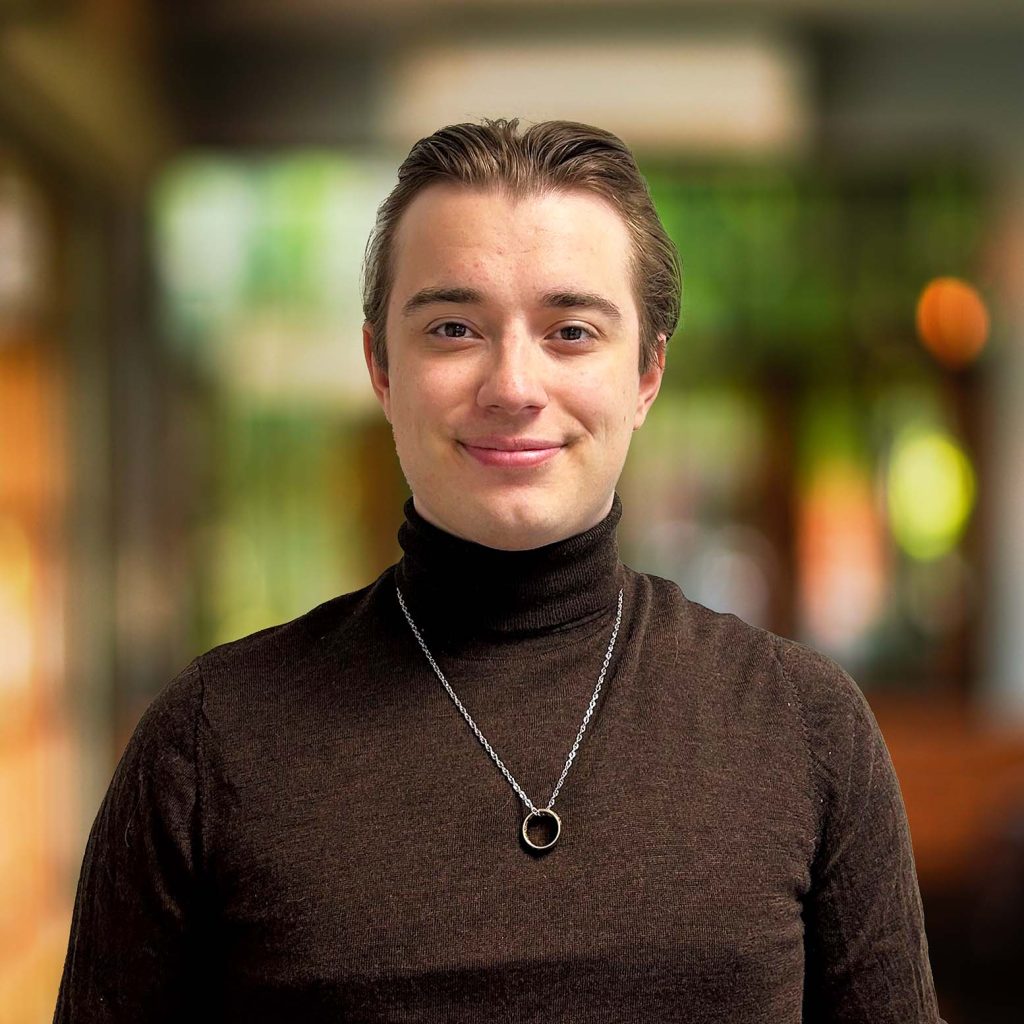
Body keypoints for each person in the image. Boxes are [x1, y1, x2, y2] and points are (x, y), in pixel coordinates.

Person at [53, 117, 945, 1023]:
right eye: (453, 327)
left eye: (570, 330)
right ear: (381, 367)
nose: (513, 386)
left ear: (646, 375)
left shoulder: (804, 727)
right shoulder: (209, 745)